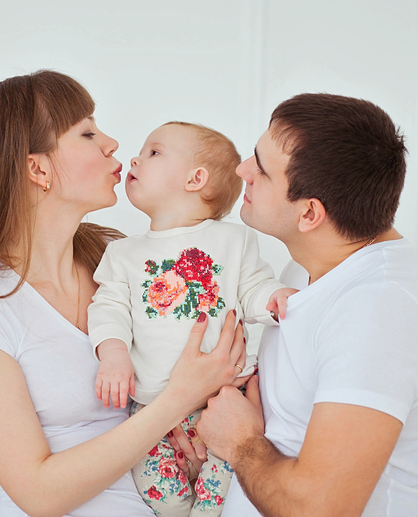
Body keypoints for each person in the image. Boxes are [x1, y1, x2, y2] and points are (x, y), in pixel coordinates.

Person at [0, 70, 249, 517]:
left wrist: (203, 441)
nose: (111, 144)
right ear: (38, 168)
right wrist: (178, 400)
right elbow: (39, 493)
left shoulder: (117, 257)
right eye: (87, 133)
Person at [195, 94, 418, 517]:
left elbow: (319, 509)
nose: (242, 170)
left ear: (309, 214)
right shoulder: (309, 267)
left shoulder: (379, 311)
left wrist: (240, 444)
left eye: (261, 169)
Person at [87, 122, 297, 516]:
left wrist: (273, 299)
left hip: (225, 403)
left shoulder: (233, 241)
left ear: (195, 179)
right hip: (152, 414)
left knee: (222, 498)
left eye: (154, 152)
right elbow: (108, 308)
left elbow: (253, 287)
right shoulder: (122, 254)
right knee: (164, 500)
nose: (135, 159)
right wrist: (113, 354)